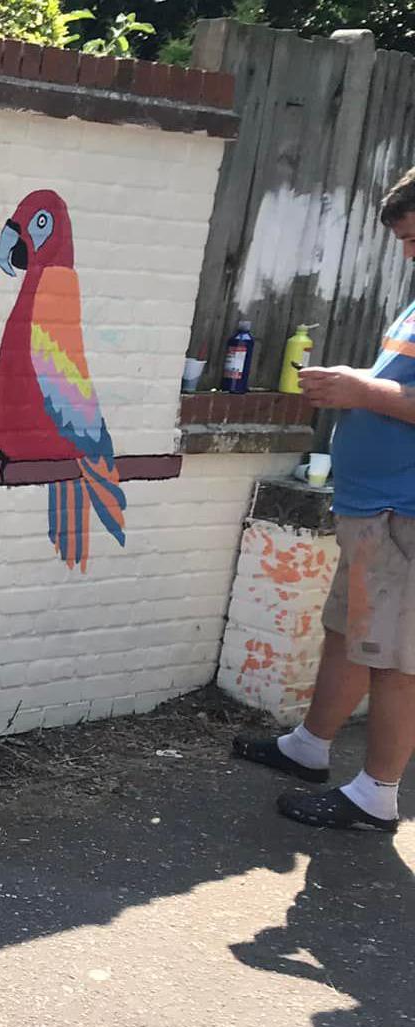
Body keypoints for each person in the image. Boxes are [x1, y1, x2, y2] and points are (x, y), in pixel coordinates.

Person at [234, 167, 415, 834]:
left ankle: (377, 795)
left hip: (406, 514)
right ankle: (309, 747)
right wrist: (359, 382)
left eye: (414, 237)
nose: (408, 253)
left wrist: (360, 393)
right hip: (377, 509)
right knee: (346, 632)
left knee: (396, 658)